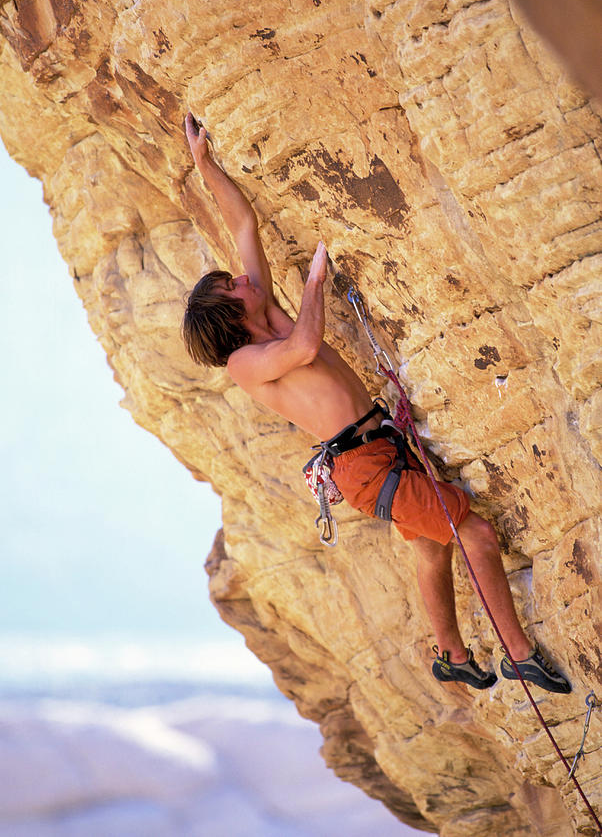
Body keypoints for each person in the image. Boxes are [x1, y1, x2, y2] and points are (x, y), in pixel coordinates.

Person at [182, 112, 571, 694]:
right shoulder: (246, 362)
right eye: (231, 288)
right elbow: (306, 344)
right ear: (229, 314)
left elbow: (242, 222)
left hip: (378, 448)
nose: (242, 280)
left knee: (430, 547)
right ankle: (517, 653)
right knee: (476, 536)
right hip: (363, 465)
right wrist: (313, 285)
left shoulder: (260, 312)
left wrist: (203, 164)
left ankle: (453, 656)